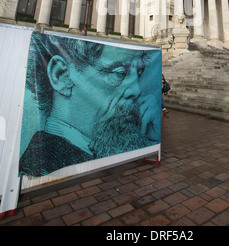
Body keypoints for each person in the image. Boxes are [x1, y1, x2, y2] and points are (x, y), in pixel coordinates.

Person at [19, 33, 161, 177]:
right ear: (61, 75)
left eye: (139, 72)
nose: (136, 90)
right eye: (120, 73)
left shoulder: (100, 148)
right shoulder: (41, 168)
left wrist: (150, 140)